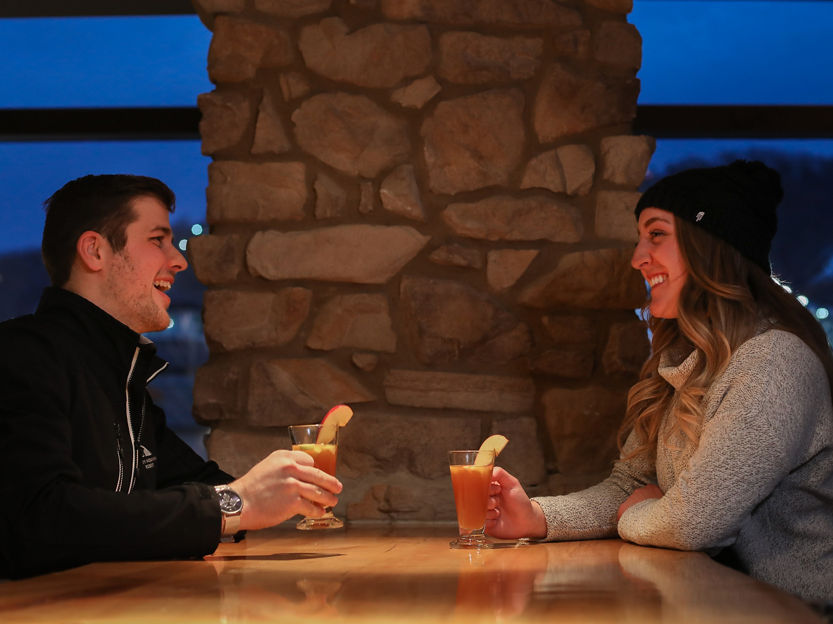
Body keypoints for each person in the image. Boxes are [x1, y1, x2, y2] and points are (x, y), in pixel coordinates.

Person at [486, 160, 833, 607]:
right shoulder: (684, 362)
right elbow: (630, 487)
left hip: (791, 614)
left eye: (656, 235)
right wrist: (534, 516)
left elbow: (693, 523)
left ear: (710, 247)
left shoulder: (774, 362)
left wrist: (642, 514)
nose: (636, 258)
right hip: (712, 604)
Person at [0, 174, 342, 579]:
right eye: (157, 240)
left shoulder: (121, 376)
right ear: (95, 251)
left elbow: (198, 484)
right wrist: (235, 505)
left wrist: (273, 491)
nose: (178, 259)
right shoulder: (21, 356)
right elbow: (40, 519)